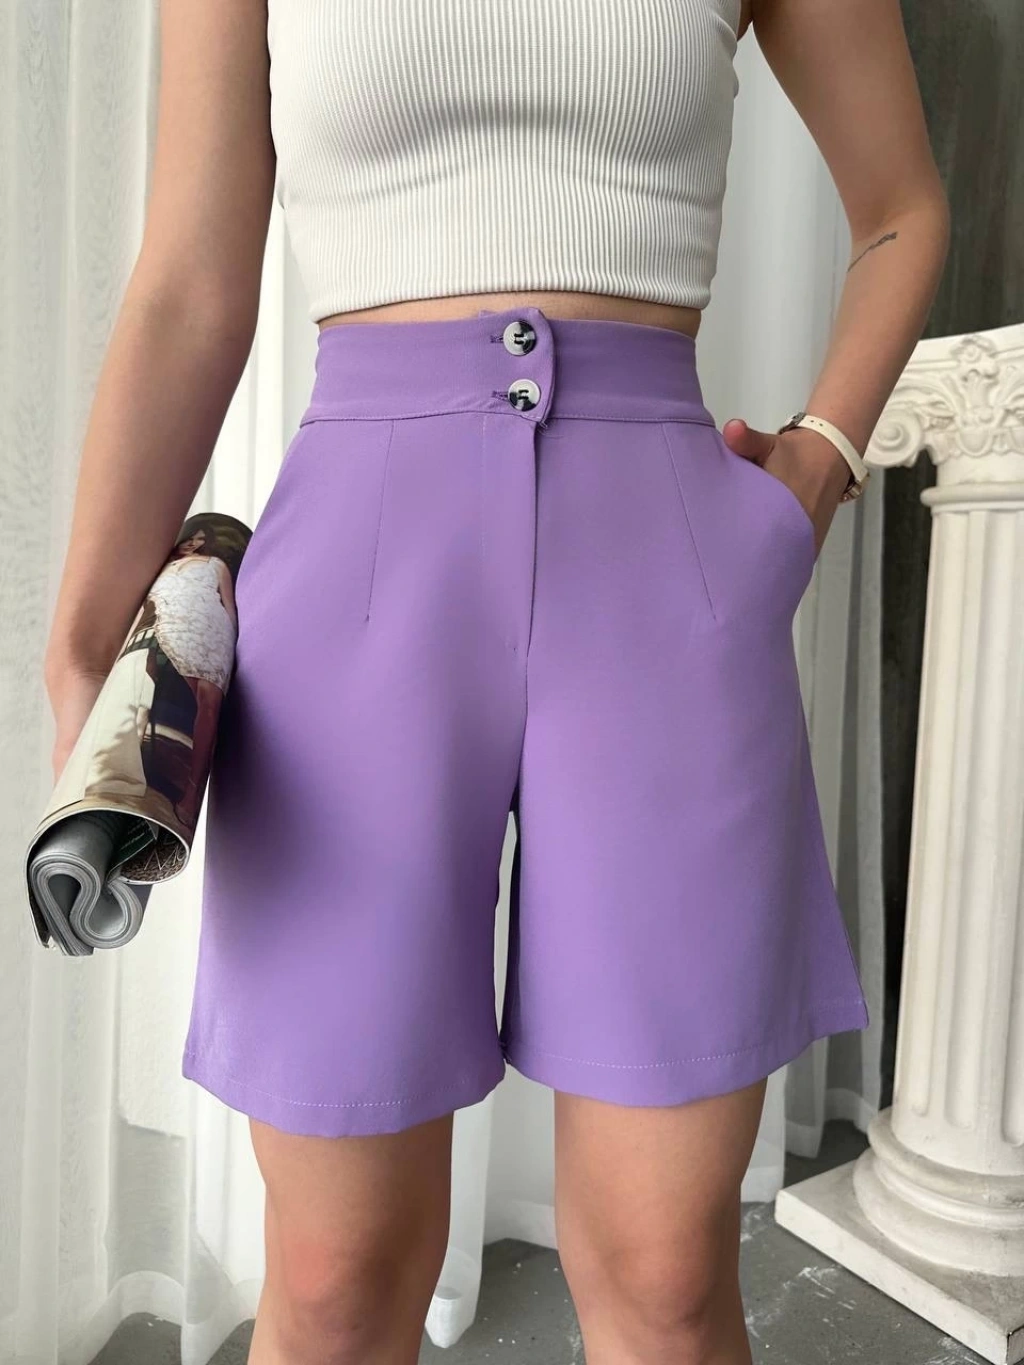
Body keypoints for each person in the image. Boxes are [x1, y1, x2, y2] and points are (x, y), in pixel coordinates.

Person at [41, 0, 950, 1360]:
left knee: (665, 1274)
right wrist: (82, 636)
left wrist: (814, 467)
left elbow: (902, 209)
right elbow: (190, 282)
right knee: (336, 1275)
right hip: (356, 580)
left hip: (662, 581)